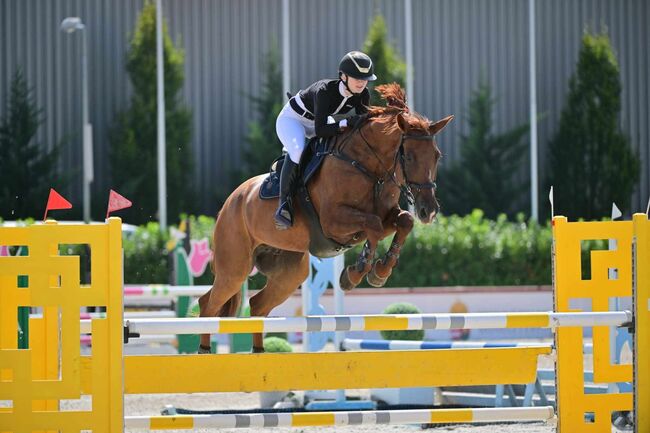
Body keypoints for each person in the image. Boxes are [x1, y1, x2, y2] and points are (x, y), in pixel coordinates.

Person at [273, 51, 377, 230]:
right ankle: (284, 205)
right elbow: (321, 130)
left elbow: (363, 126)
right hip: (293, 119)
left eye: (365, 78)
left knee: (334, 149)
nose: (361, 82)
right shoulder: (324, 91)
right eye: (356, 78)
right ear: (343, 77)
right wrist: (345, 122)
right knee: (298, 151)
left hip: (318, 121)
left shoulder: (363, 94)